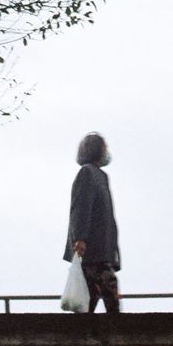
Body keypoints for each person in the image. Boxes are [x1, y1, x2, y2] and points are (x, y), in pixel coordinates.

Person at [63, 131, 120, 314]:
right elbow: (81, 207)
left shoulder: (101, 176)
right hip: (92, 250)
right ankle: (116, 334)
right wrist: (79, 238)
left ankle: (82, 336)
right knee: (107, 290)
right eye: (104, 148)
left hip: (101, 249)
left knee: (90, 297)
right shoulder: (87, 173)